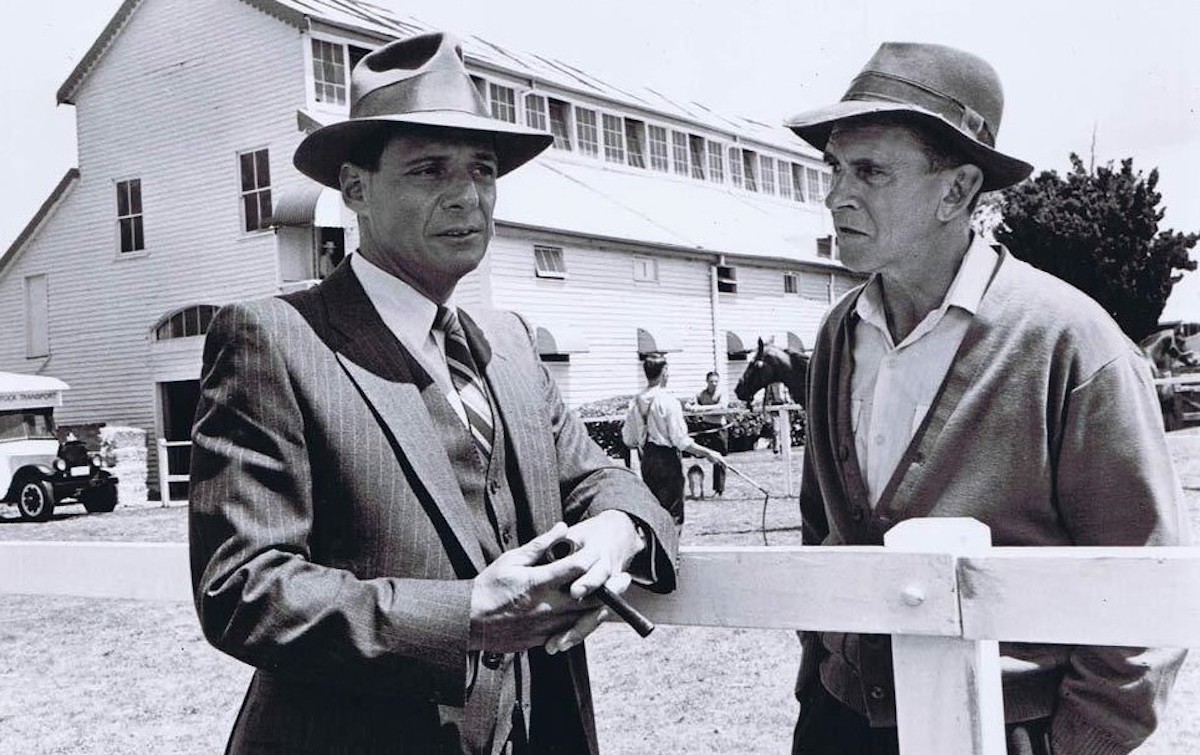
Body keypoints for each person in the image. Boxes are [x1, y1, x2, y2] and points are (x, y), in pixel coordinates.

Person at [188, 32, 679, 755]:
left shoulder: (508, 344)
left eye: (482, 170)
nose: (467, 195)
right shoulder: (276, 338)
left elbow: (602, 479)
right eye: (429, 170)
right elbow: (242, 587)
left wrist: (619, 530)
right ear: (355, 189)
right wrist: (466, 616)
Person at [783, 42, 1189, 754]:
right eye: (835, 168)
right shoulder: (837, 335)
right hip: (840, 727)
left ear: (958, 192)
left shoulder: (1072, 344)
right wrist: (821, 687)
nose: (837, 194)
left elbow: (1143, 595)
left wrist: (1074, 744)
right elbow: (823, 533)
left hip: (1003, 729)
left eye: (871, 171)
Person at [622, 354, 723, 528]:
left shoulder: (634, 403)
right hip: (667, 461)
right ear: (664, 373)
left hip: (646, 461)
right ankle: (670, 554)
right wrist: (708, 453)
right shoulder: (668, 401)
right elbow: (681, 441)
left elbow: (628, 440)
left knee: (653, 514)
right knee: (673, 516)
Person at [687, 371, 728, 496]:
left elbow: (721, 407)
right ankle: (697, 487)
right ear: (707, 382)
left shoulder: (722, 393)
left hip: (719, 428)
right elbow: (688, 405)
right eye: (711, 381)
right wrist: (692, 406)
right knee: (697, 453)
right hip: (705, 428)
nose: (714, 384)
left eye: (716, 381)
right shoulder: (701, 394)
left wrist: (700, 408)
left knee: (719, 460)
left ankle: (718, 490)